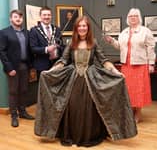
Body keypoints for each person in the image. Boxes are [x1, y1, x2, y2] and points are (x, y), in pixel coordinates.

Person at [34, 15, 137, 147]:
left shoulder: (93, 43)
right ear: (76, 28)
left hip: (90, 78)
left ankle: (89, 135)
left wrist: (116, 72)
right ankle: (72, 135)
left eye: (84, 26)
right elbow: (63, 61)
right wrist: (50, 71)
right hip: (73, 78)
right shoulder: (71, 43)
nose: (82, 28)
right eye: (80, 26)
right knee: (72, 106)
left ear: (88, 28)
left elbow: (103, 60)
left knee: (89, 108)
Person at [105, 8, 156, 123]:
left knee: (139, 90)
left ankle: (138, 112)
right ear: (128, 18)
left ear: (139, 18)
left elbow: (151, 48)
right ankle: (130, 111)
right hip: (126, 66)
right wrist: (111, 41)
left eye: (135, 16)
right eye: (130, 16)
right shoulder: (124, 32)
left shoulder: (145, 31)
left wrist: (151, 64)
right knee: (129, 90)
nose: (133, 18)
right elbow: (119, 46)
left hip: (140, 64)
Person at [0, 10, 34, 127]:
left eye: (20, 17)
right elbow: (2, 52)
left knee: (24, 90)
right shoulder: (4, 33)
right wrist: (9, 68)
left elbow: (30, 49)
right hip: (13, 68)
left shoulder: (27, 33)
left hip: (25, 66)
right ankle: (14, 115)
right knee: (13, 92)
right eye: (15, 17)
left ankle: (23, 112)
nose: (18, 19)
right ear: (11, 19)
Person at [29, 6, 64, 78]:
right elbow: (33, 48)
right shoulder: (34, 30)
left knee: (56, 88)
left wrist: (58, 47)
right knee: (43, 88)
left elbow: (61, 45)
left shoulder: (57, 29)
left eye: (49, 15)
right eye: (44, 15)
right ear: (40, 16)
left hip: (56, 65)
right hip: (42, 66)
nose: (47, 17)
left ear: (51, 16)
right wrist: (46, 49)